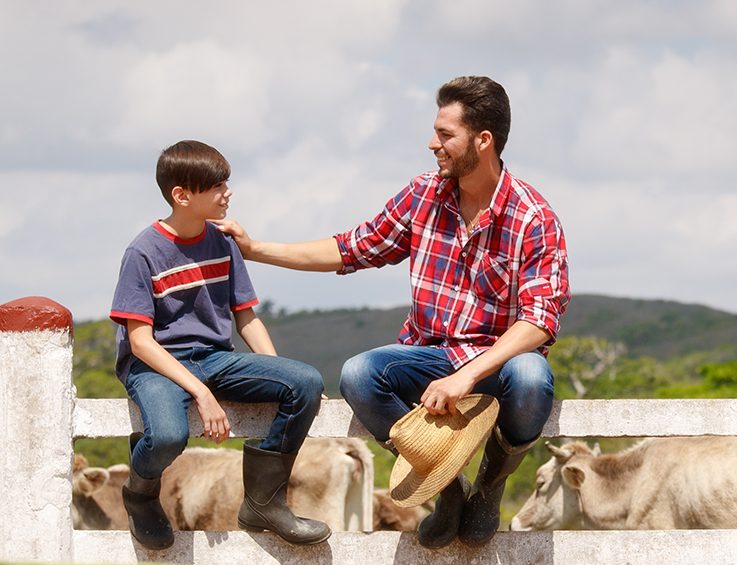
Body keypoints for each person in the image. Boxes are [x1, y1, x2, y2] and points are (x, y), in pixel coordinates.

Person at [213, 75, 571, 548]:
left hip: (497, 362)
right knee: (360, 374)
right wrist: (256, 249)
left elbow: (539, 319)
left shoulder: (533, 216)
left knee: (531, 378)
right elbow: (351, 249)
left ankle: (487, 487)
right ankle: (447, 487)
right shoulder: (424, 194)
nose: (432, 144)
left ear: (483, 141)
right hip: (430, 355)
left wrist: (465, 377)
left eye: (445, 134)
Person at [109, 140, 330, 549]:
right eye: (217, 186)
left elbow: (245, 315)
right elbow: (140, 343)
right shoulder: (142, 252)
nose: (228, 193)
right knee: (169, 436)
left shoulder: (223, 242)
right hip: (157, 363)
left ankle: (264, 502)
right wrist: (202, 394)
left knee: (305, 382)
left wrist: (277, 373)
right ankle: (139, 492)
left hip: (213, 357)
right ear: (182, 195)